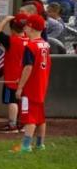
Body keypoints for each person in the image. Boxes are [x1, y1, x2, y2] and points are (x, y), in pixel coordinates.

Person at [13, 14, 51, 153]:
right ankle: (40, 144)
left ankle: (26, 146)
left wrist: (20, 87)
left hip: (31, 87)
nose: (24, 28)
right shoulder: (45, 44)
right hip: (41, 85)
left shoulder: (30, 46)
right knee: (40, 116)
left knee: (30, 117)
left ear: (31, 27)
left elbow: (28, 68)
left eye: (27, 26)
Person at [0, 13, 29, 133]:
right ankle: (24, 124)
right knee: (24, 100)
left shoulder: (11, 40)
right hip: (26, 77)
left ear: (12, 28)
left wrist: (5, 20)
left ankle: (12, 125)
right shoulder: (29, 39)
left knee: (12, 101)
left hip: (12, 78)